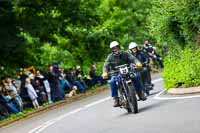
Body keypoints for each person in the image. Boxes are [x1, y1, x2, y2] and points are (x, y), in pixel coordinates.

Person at [102, 41, 146, 107]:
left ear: (119, 47)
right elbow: (105, 65)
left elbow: (133, 58)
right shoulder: (110, 57)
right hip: (116, 73)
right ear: (112, 50)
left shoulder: (125, 53)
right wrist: (104, 72)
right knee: (112, 81)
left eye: (116, 47)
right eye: (114, 48)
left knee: (136, 76)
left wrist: (137, 63)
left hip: (128, 71)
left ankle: (140, 93)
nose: (115, 49)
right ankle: (116, 99)